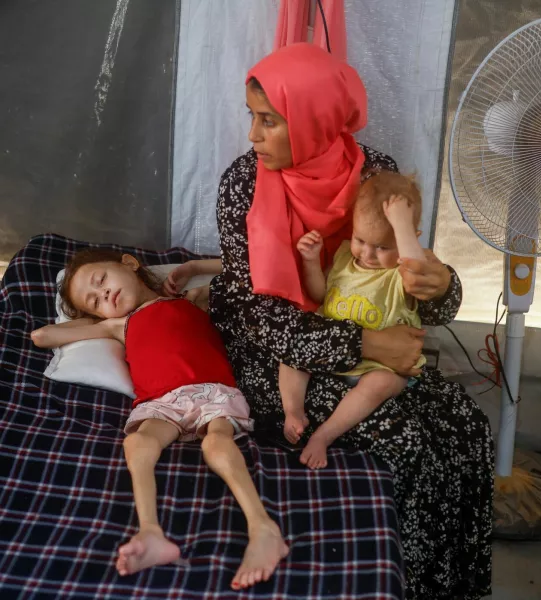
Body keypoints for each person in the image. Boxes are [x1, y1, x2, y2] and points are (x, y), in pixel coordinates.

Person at [168, 43, 493, 600]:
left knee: (467, 426)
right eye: (253, 117)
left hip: (367, 337)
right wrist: (369, 342)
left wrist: (443, 288)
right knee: (405, 437)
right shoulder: (242, 186)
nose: (253, 135)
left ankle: (458, 587)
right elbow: (260, 319)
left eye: (268, 121)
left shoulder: (376, 173)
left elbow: (409, 281)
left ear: (317, 118)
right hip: (278, 357)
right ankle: (409, 587)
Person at [30, 248, 289, 590]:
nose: (104, 294)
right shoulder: (119, 326)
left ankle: (263, 528)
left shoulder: (191, 298)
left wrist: (195, 268)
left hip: (210, 389)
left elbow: (253, 268)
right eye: (95, 300)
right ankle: (150, 531)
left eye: (101, 280)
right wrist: (100, 322)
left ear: (129, 263)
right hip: (160, 403)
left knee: (216, 443)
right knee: (137, 441)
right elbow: (42, 336)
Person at [277, 171, 428, 468]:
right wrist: (311, 261)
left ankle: (324, 436)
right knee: (291, 355)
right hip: (333, 357)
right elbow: (321, 294)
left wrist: (402, 226)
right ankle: (293, 411)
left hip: (382, 366)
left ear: (407, 240)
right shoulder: (347, 256)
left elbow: (417, 267)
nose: (368, 254)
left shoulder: (402, 272)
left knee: (380, 384)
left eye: (383, 246)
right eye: (360, 239)